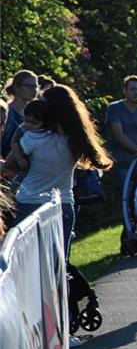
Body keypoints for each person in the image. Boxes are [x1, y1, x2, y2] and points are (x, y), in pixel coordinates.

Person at [14, 86, 113, 259]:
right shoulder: (75, 140)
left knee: (28, 263)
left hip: (30, 203)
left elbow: (9, 166)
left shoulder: (33, 138)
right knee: (59, 265)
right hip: (64, 204)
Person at [2, 70, 39, 158]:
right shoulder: (7, 112)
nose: (34, 90)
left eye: (36, 86)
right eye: (29, 86)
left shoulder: (35, 115)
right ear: (16, 87)